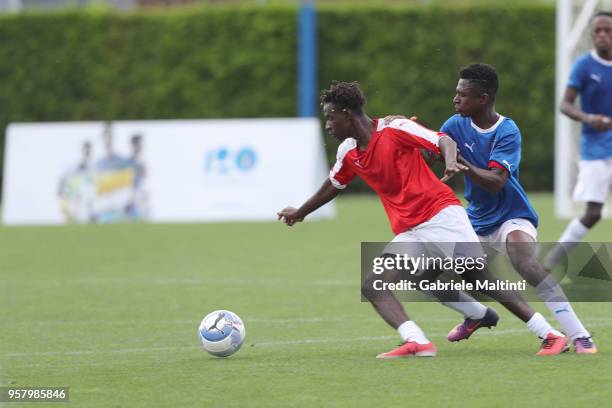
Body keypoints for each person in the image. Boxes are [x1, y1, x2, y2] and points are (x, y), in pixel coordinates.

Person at [278, 81, 556, 358]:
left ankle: (549, 334)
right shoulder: (348, 151)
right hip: (411, 230)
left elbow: (442, 140)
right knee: (377, 284)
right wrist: (300, 213)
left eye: (330, 117)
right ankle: (420, 341)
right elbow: (333, 184)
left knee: (480, 280)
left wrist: (449, 160)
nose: (327, 125)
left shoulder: (395, 129)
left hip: (442, 217)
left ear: (347, 114)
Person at [430, 63, 595, 353]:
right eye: (456, 93)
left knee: (526, 263)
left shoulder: (507, 130)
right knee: (432, 275)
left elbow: (495, 182)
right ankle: (476, 315)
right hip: (475, 221)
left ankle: (579, 335)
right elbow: (428, 149)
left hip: (512, 216)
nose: (455, 99)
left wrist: (464, 165)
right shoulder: (453, 124)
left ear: (484, 98)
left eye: (462, 95)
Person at [545, 11, 612, 280]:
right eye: (597, 31)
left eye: (607, 30)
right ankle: (551, 260)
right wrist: (589, 118)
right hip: (595, 150)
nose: (602, 35)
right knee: (593, 213)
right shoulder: (584, 65)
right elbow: (565, 104)